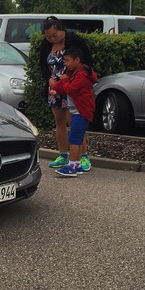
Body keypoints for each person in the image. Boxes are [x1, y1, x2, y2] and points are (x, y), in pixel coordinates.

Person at [38, 16, 93, 171]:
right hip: (55, 88)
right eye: (48, 37)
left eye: (54, 35)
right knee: (59, 121)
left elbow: (87, 62)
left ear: (61, 30)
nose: (51, 39)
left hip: (71, 87)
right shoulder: (46, 45)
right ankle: (63, 155)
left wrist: (71, 76)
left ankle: (83, 156)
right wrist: (48, 79)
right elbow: (42, 64)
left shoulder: (75, 41)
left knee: (74, 122)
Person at [49, 47, 98, 176]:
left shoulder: (81, 75)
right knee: (77, 137)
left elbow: (71, 89)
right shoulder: (74, 72)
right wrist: (55, 87)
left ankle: (72, 166)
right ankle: (76, 165)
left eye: (67, 60)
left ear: (77, 60)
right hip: (78, 111)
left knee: (75, 139)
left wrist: (63, 82)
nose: (65, 63)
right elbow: (64, 84)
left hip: (81, 112)